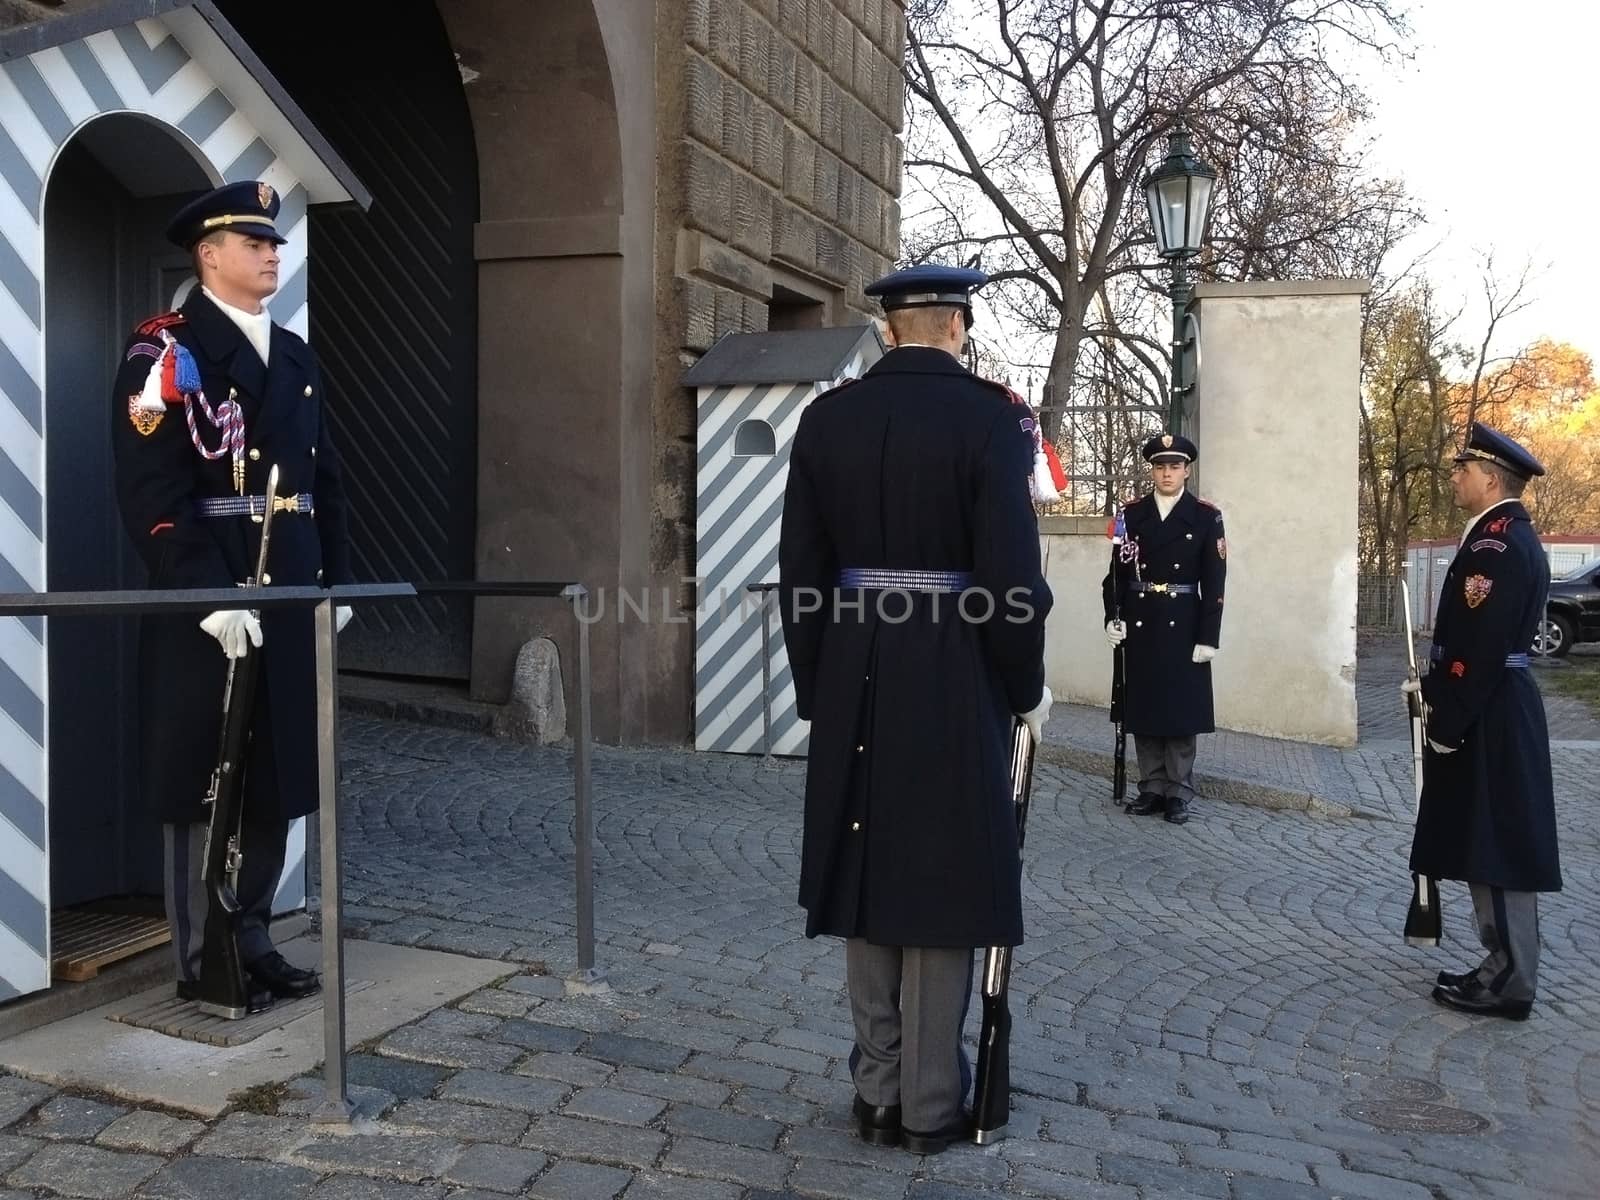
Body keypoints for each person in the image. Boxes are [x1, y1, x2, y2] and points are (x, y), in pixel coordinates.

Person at [778, 263, 1053, 1155]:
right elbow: (1013, 577)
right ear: (956, 326)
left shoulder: (829, 417)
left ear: (892, 328)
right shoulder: (993, 418)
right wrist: (1023, 686)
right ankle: (932, 1103)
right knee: (944, 874)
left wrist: (818, 685)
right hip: (954, 662)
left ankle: (877, 1089)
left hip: (856, 658)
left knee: (865, 872)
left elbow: (802, 575)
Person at [111, 181, 354, 1012]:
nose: (270, 254)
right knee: (202, 776)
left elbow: (325, 480)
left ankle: (252, 933)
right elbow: (152, 491)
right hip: (208, 604)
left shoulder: (294, 354)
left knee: (278, 770)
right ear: (208, 255)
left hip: (286, 595)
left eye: (274, 243)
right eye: (252, 243)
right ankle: (199, 953)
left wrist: (336, 581)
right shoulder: (164, 352)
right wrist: (204, 593)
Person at [1402, 422, 1560, 1020]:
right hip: (1489, 703)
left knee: (1504, 844)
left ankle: (1513, 979)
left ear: (1491, 479)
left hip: (1491, 707)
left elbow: (1484, 645)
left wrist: (1447, 717)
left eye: (1462, 470)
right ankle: (1499, 966)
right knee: (1484, 840)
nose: (1454, 477)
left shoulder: (1498, 545)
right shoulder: (1497, 536)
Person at [1102, 434, 1225, 825]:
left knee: (1180, 710)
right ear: (1152, 470)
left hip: (1184, 623)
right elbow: (1115, 575)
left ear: (1186, 470)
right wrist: (1112, 616)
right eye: (1160, 466)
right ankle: (1151, 786)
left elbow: (1215, 581)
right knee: (1145, 705)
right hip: (1141, 620)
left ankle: (1179, 791)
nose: (1167, 473)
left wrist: (1209, 636)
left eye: (1174, 466)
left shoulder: (1206, 516)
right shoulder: (1132, 514)